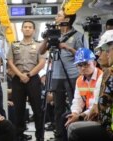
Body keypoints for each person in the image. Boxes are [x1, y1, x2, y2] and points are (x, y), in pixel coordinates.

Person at [39, 9, 85, 140]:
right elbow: (41, 52)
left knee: (74, 105)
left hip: (73, 74)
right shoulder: (54, 34)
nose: (56, 17)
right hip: (56, 75)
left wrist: (67, 47)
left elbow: (82, 56)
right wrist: (46, 38)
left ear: (67, 19)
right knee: (58, 107)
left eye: (59, 15)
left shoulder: (77, 35)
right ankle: (59, 133)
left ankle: (74, 133)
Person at [7, 20, 46, 141]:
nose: (27, 29)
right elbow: (10, 62)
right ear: (21, 29)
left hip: (33, 78)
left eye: (30, 27)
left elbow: (42, 63)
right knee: (19, 109)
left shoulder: (40, 45)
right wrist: (20, 75)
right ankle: (19, 135)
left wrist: (28, 75)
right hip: (17, 79)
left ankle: (40, 136)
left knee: (37, 109)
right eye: (25, 27)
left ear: (34, 30)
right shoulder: (14, 45)